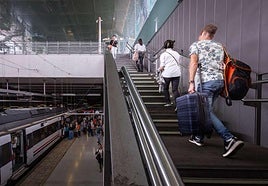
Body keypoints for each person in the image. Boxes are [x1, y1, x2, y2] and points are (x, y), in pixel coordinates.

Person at [188, 24, 244, 158]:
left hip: (205, 82)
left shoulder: (196, 45)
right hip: (219, 82)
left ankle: (229, 139)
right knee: (206, 111)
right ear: (212, 35)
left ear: (202, 33)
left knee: (205, 112)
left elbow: (194, 63)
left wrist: (191, 82)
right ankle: (198, 137)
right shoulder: (220, 46)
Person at [158, 40, 181, 107]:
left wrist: (158, 70)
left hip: (167, 74)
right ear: (172, 46)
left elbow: (162, 66)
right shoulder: (177, 53)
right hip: (176, 73)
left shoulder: (163, 55)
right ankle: (178, 105)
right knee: (175, 90)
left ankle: (168, 102)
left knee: (166, 88)